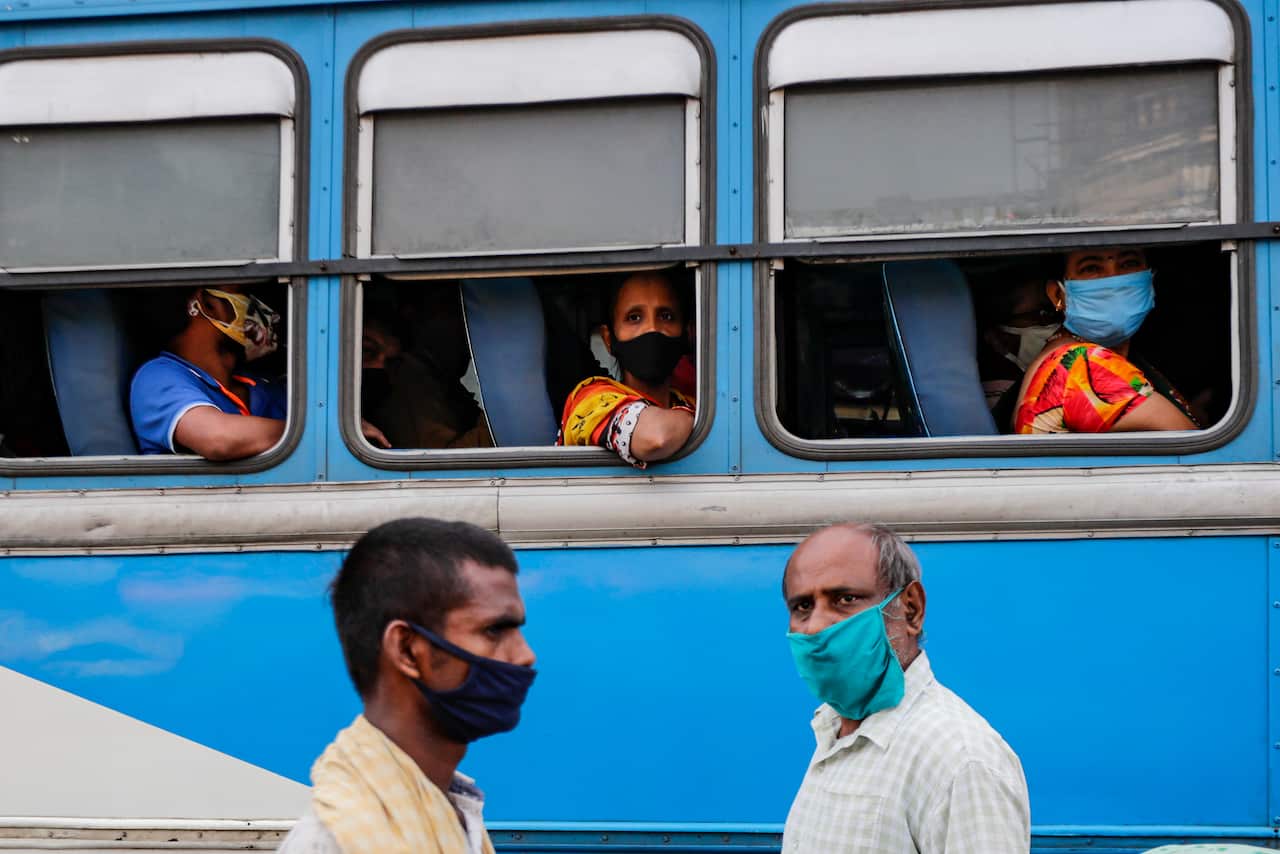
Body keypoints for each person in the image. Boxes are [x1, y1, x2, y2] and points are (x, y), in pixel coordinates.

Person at [278, 518, 537, 854]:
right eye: (494, 631)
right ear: (406, 650)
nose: (525, 655)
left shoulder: (450, 806)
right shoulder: (335, 841)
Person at [781, 523, 1030, 853]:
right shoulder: (833, 728)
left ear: (910, 608)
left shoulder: (961, 759)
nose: (815, 626)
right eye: (802, 607)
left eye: (845, 599)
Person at [130, 286, 387, 460]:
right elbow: (218, 439)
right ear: (206, 304)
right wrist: (329, 430)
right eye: (244, 293)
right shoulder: (158, 376)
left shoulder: (267, 386)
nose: (259, 308)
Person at [1014, 247, 1198, 434]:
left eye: (1129, 264)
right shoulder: (1083, 364)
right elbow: (1193, 445)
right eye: (1091, 268)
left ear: (1150, 280)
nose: (1114, 279)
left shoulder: (1065, 353)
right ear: (1057, 295)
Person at [557, 272, 694, 467]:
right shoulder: (590, 399)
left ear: (686, 333)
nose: (652, 328)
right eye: (634, 317)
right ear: (608, 339)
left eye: (666, 316)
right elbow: (655, 438)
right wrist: (697, 419)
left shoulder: (687, 401)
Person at [361, 294, 493, 450]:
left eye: (391, 361)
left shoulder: (433, 382)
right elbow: (444, 463)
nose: (378, 366)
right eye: (366, 351)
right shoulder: (408, 390)